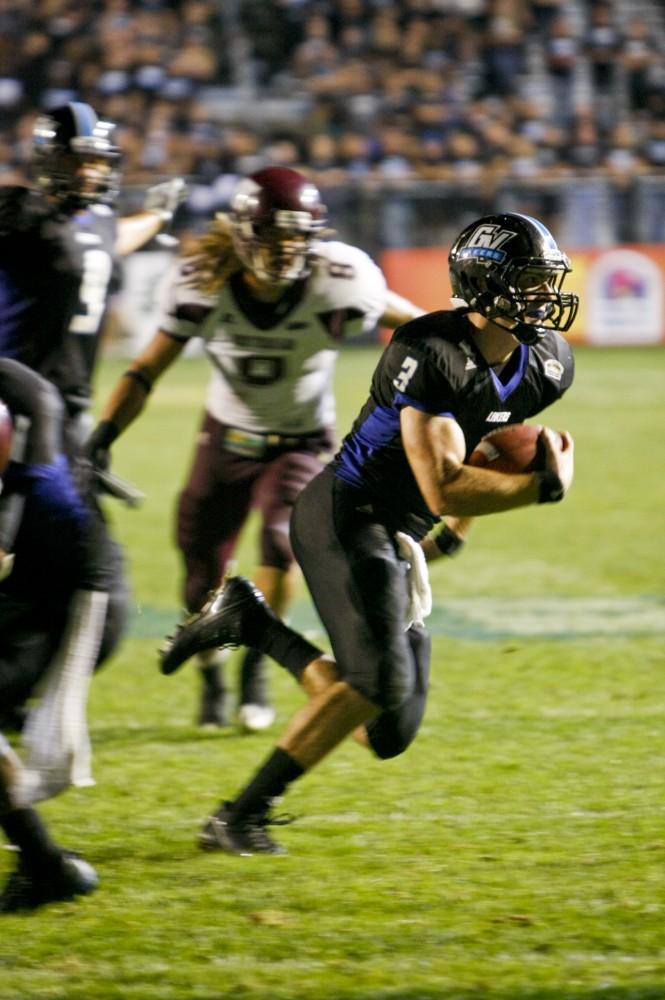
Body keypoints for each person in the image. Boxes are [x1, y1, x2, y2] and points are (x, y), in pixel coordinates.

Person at [157, 211, 578, 855]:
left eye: (548, 281)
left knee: (386, 729)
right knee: (378, 682)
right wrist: (539, 486)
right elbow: (442, 481)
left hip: (399, 531)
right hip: (346, 515)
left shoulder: (548, 364)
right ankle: (238, 816)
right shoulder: (430, 351)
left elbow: (483, 442)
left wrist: (453, 534)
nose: (546, 297)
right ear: (484, 285)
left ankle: (251, 621)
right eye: (529, 282)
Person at [88, 165, 424, 732]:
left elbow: (417, 323)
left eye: (297, 235)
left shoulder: (340, 278)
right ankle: (214, 676)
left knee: (279, 544)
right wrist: (102, 437)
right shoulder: (203, 281)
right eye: (273, 235)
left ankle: (256, 674)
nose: (286, 248)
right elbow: (146, 369)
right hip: (226, 434)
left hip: (302, 436)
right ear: (243, 234)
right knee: (200, 569)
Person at [0, 102, 185, 722]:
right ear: (50, 162)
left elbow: (112, 238)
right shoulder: (18, 213)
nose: (90, 174)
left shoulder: (96, 222)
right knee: (92, 589)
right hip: (15, 419)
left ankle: (13, 698)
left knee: (49, 586)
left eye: (96, 163)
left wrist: (156, 214)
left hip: (66, 427)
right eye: (78, 163)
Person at [0, 359, 118, 911]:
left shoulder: (18, 397)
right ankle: (42, 863)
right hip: (34, 573)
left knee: (46, 758)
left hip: (64, 582)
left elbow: (6, 539)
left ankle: (43, 863)